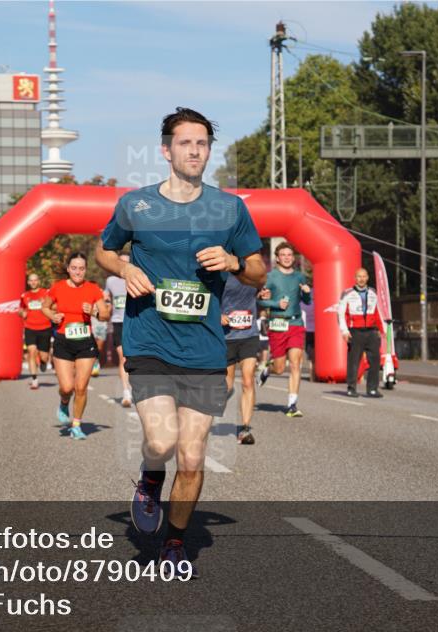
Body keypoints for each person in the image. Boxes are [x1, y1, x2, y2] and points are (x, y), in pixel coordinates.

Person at [96, 107, 265, 575]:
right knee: (164, 440)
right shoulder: (137, 205)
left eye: (202, 143)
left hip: (206, 349)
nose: (195, 151)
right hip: (150, 339)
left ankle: (174, 540)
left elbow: (258, 272)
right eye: (185, 143)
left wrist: (233, 262)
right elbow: (105, 249)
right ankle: (151, 480)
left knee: (191, 457)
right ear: (166, 150)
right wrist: (127, 268)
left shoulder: (230, 209)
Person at [41, 253, 111, 440]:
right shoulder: (57, 288)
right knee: (67, 387)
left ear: (85, 270)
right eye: (74, 268)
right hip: (63, 341)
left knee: (81, 387)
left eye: (81, 268)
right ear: (68, 269)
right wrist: (52, 317)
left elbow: (105, 315)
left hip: (85, 343)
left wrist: (95, 311)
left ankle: (76, 424)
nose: (78, 272)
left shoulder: (93, 289)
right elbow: (45, 307)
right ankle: (64, 402)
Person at [257, 243, 311, 417]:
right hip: (277, 324)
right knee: (280, 368)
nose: (287, 257)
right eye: (283, 255)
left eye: (290, 254)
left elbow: (307, 301)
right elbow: (260, 301)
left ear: (293, 258)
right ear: (277, 258)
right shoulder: (270, 277)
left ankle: (292, 405)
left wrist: (307, 293)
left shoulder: (300, 277)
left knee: (296, 364)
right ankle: (269, 368)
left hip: (296, 324)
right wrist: (275, 304)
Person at [221, 273, 259, 445]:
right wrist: (217, 315)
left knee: (248, 380)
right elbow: (209, 299)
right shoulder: (221, 274)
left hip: (249, 334)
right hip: (227, 336)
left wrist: (264, 296)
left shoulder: (253, 272)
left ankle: (244, 428)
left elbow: (261, 295)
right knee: (227, 386)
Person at [338, 267, 383, 398]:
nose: (361, 279)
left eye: (364, 276)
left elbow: (377, 312)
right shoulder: (347, 293)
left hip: (371, 331)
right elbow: (341, 314)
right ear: (355, 278)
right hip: (355, 331)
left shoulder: (373, 292)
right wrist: (344, 331)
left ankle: (372, 389)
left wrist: (380, 329)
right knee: (354, 361)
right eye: (359, 276)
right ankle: (351, 388)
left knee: (375, 360)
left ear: (367, 277)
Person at [104, 254, 133, 407]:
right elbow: (106, 296)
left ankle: (137, 389)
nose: (124, 265)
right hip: (118, 322)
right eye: (121, 262)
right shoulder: (110, 280)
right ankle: (126, 393)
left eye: (127, 262)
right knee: (123, 358)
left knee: (136, 358)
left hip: (135, 322)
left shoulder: (136, 278)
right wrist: (106, 304)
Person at [19, 272, 53, 389]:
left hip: (45, 327)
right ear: (28, 282)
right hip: (30, 327)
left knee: (44, 356)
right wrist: (21, 313)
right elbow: (21, 309)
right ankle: (34, 380)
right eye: (31, 280)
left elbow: (53, 306)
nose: (33, 282)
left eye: (35, 280)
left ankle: (43, 362)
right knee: (31, 352)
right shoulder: (24, 296)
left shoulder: (46, 293)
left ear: (38, 281)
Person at [90, 308, 108, 377]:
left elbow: (109, 311)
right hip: (93, 324)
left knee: (99, 348)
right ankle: (93, 366)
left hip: (103, 325)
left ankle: (96, 361)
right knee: (93, 346)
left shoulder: (105, 298)